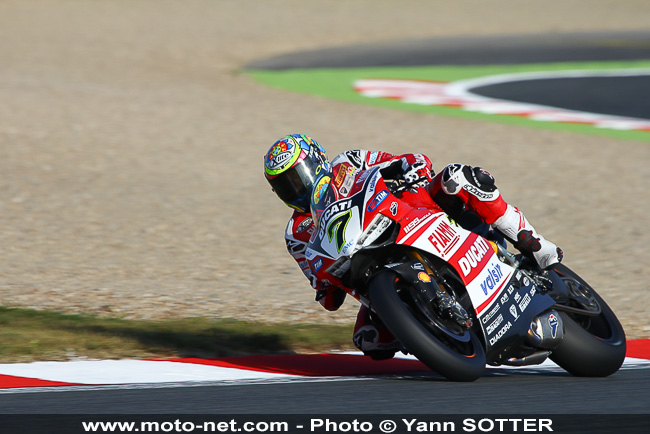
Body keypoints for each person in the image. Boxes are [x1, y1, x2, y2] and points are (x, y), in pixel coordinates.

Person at [264, 134, 563, 360]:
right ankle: (431, 329)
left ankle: (533, 242)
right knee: (368, 339)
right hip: (367, 260)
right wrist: (324, 285)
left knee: (458, 177)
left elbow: (407, 160)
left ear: (316, 160)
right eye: (285, 186)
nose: (296, 188)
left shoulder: (349, 161)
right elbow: (325, 293)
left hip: (412, 213)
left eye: (297, 176)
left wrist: (411, 170)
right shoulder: (295, 233)